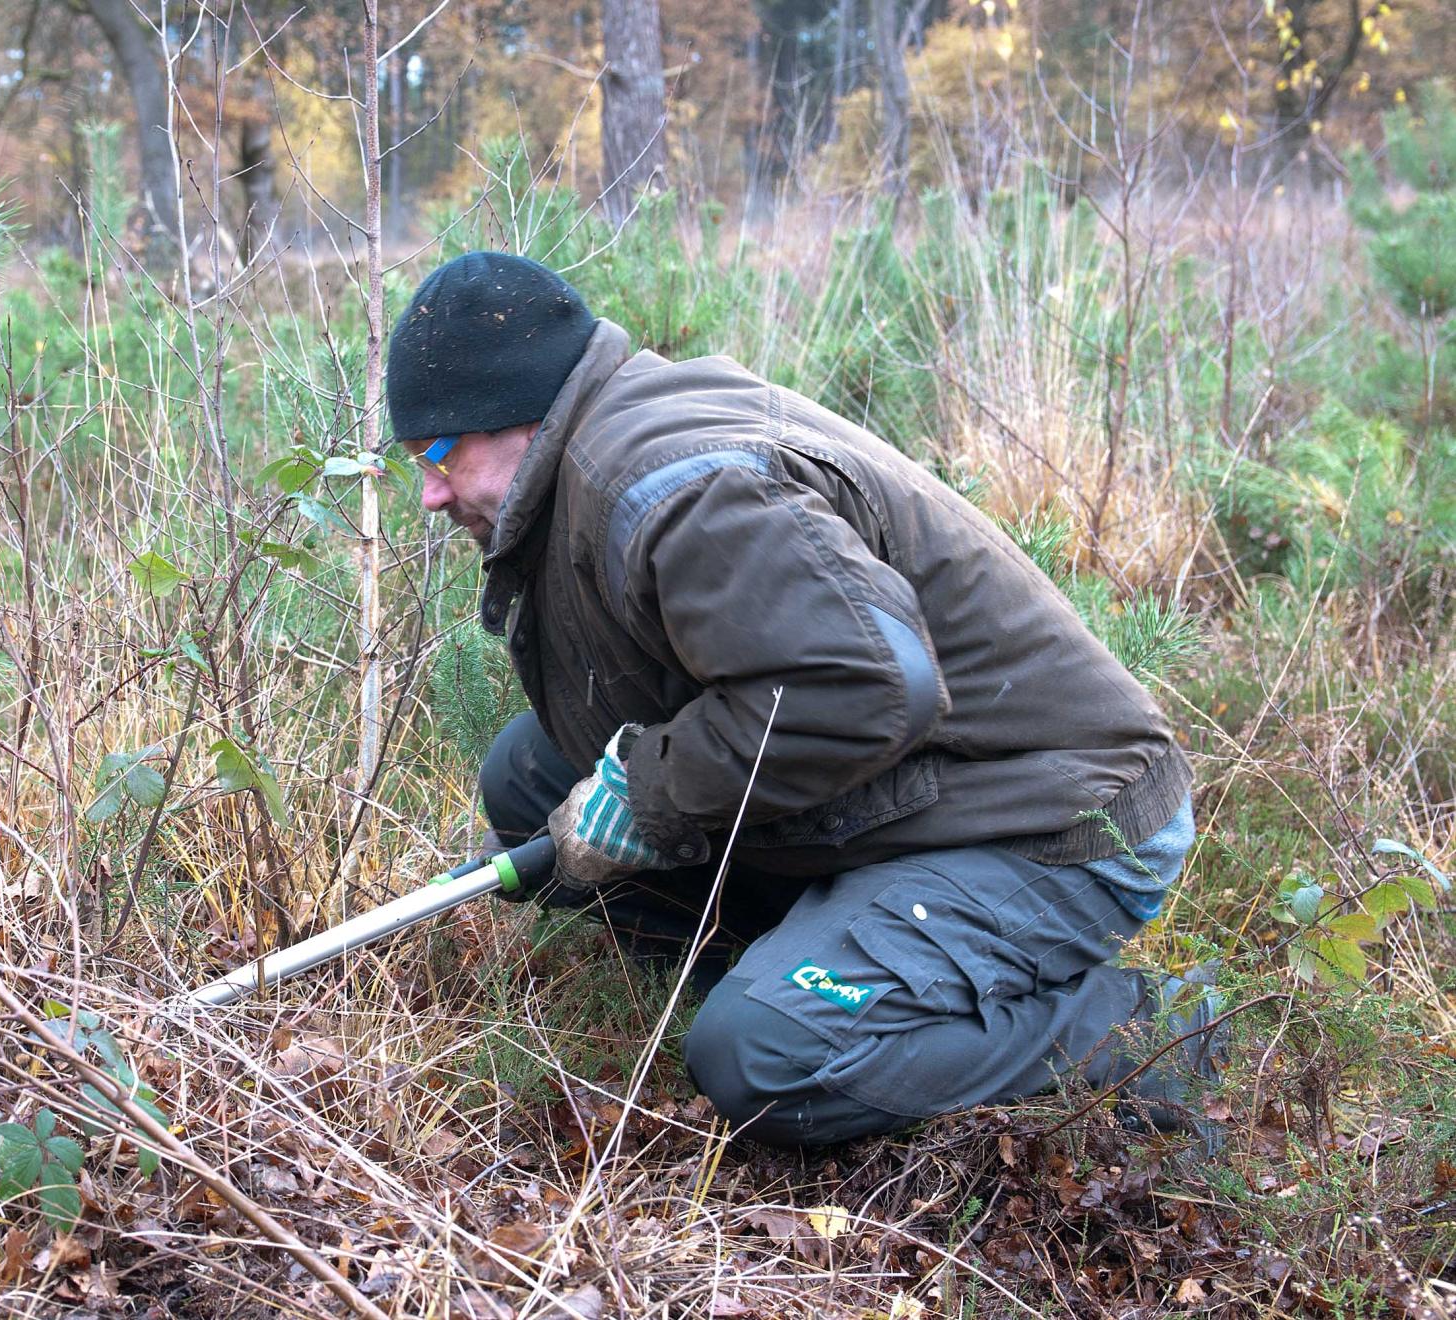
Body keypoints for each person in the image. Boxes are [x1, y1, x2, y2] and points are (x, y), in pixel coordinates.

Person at [385, 250, 1213, 1148]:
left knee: (765, 1059)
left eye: (441, 452)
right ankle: (799, 969)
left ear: (527, 417)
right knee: (529, 779)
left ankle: (1150, 1032)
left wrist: (652, 792)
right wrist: (628, 786)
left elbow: (858, 689)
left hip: (1048, 821)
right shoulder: (602, 441)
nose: (430, 493)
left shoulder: (676, 490)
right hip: (909, 783)